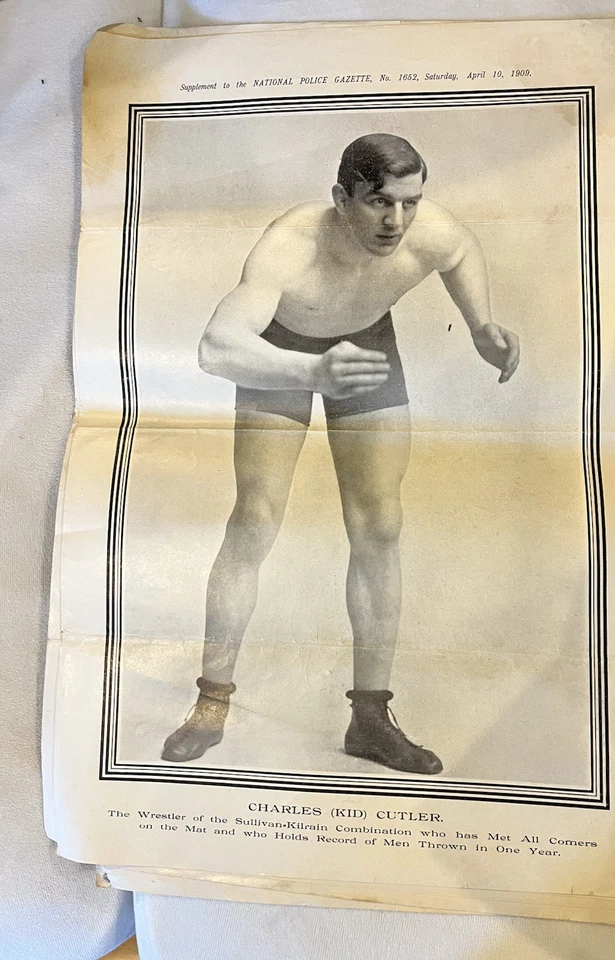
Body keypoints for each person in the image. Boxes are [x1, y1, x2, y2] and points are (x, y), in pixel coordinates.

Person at [161, 133, 520, 775]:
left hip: (364, 346)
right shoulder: (291, 243)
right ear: (341, 198)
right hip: (280, 350)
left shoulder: (428, 229)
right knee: (255, 520)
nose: (396, 222)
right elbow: (215, 347)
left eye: (409, 203)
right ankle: (210, 706)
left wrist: (480, 325)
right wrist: (310, 371)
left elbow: (461, 248)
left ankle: (370, 721)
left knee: (380, 525)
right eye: (379, 202)